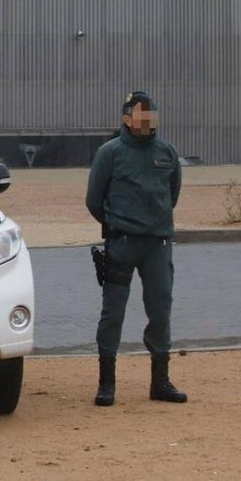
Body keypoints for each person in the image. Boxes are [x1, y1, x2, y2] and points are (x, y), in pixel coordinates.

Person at [85, 91, 187, 407]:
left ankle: (160, 382)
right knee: (113, 312)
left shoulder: (167, 154)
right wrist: (118, 223)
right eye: (139, 114)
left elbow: (172, 195)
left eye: (150, 114)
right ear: (127, 119)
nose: (145, 121)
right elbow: (93, 200)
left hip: (157, 245)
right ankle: (106, 384)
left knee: (160, 310)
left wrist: (152, 223)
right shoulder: (110, 153)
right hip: (121, 244)